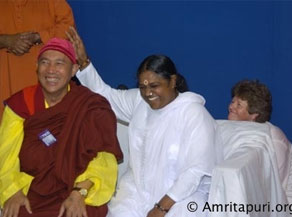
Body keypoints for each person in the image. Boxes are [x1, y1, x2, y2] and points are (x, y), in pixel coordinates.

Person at [67, 27, 221, 217]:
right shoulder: (140, 102)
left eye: (155, 86)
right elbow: (105, 95)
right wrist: (83, 62)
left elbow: (197, 170)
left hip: (182, 197)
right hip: (137, 192)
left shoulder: (194, 113)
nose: (148, 93)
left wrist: (162, 207)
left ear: (172, 81)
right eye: (142, 87)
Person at [0, 38, 123, 217]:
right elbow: (5, 154)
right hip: (31, 187)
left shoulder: (90, 106)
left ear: (73, 70)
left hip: (79, 188)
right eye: (45, 62)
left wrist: (79, 192)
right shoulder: (21, 103)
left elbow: (103, 157)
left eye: (59, 63)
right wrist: (12, 190)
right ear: (37, 67)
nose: (51, 70)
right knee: (18, 211)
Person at [228, 79, 292, 213]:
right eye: (232, 102)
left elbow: (276, 189)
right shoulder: (233, 133)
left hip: (290, 205)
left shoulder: (275, 140)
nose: (231, 107)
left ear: (254, 115)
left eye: (239, 105)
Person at [0, 0, 75, 116]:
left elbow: (69, 27)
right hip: (5, 85)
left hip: (44, 89)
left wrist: (38, 37)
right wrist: (5, 40)